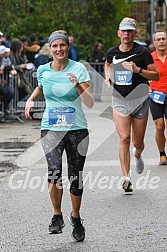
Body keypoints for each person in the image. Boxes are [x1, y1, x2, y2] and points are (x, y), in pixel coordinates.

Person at [25, 30, 94, 242]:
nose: (59, 49)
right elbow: (40, 86)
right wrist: (30, 99)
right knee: (54, 170)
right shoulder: (43, 69)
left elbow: (90, 102)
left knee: (75, 176)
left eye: (62, 45)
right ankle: (57, 215)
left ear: (67, 46)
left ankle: (76, 216)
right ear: (50, 48)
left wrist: (77, 84)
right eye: (55, 46)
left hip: (77, 129)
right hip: (51, 127)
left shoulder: (79, 68)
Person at [104, 17, 159, 193]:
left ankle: (138, 154)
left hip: (140, 99)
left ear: (134, 33)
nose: (126, 34)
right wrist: (108, 76)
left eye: (130, 31)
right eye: (124, 31)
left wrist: (138, 71)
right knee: (124, 138)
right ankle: (126, 177)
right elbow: (107, 63)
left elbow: (156, 76)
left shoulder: (142, 52)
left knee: (137, 141)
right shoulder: (112, 52)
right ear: (118, 33)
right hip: (120, 99)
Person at [149, 31, 167, 165]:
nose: (161, 42)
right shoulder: (149, 58)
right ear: (154, 43)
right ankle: (162, 154)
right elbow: (142, 75)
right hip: (156, 96)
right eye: (158, 39)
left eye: (164, 39)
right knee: (160, 127)